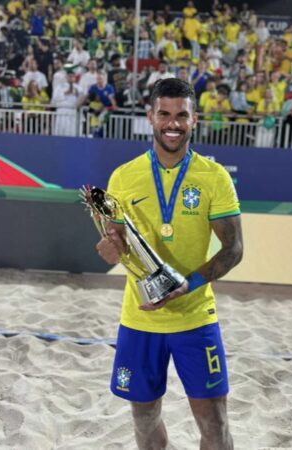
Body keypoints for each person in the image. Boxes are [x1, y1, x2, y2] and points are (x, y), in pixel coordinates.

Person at [96, 78, 241, 450]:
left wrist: (188, 284)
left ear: (195, 120)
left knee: (215, 422)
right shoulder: (123, 177)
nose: (172, 123)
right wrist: (110, 249)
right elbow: (117, 242)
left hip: (195, 317)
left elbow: (233, 249)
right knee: (144, 420)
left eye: (181, 115)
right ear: (150, 117)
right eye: (164, 114)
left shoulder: (214, 177)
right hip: (139, 318)